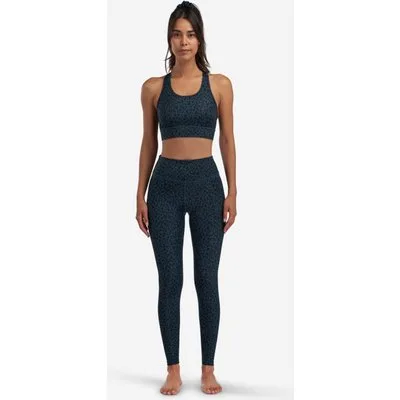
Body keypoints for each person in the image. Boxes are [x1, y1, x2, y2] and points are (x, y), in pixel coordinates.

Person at [135, 1, 237, 395]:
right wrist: (140, 194)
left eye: (191, 34)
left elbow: (227, 140)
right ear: (169, 39)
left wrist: (232, 191)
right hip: (164, 187)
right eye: (177, 34)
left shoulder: (220, 85)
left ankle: (208, 369)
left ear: (200, 38)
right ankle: (173, 369)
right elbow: (148, 143)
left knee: (206, 278)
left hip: (207, 185)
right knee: (170, 280)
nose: (184, 42)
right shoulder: (153, 88)